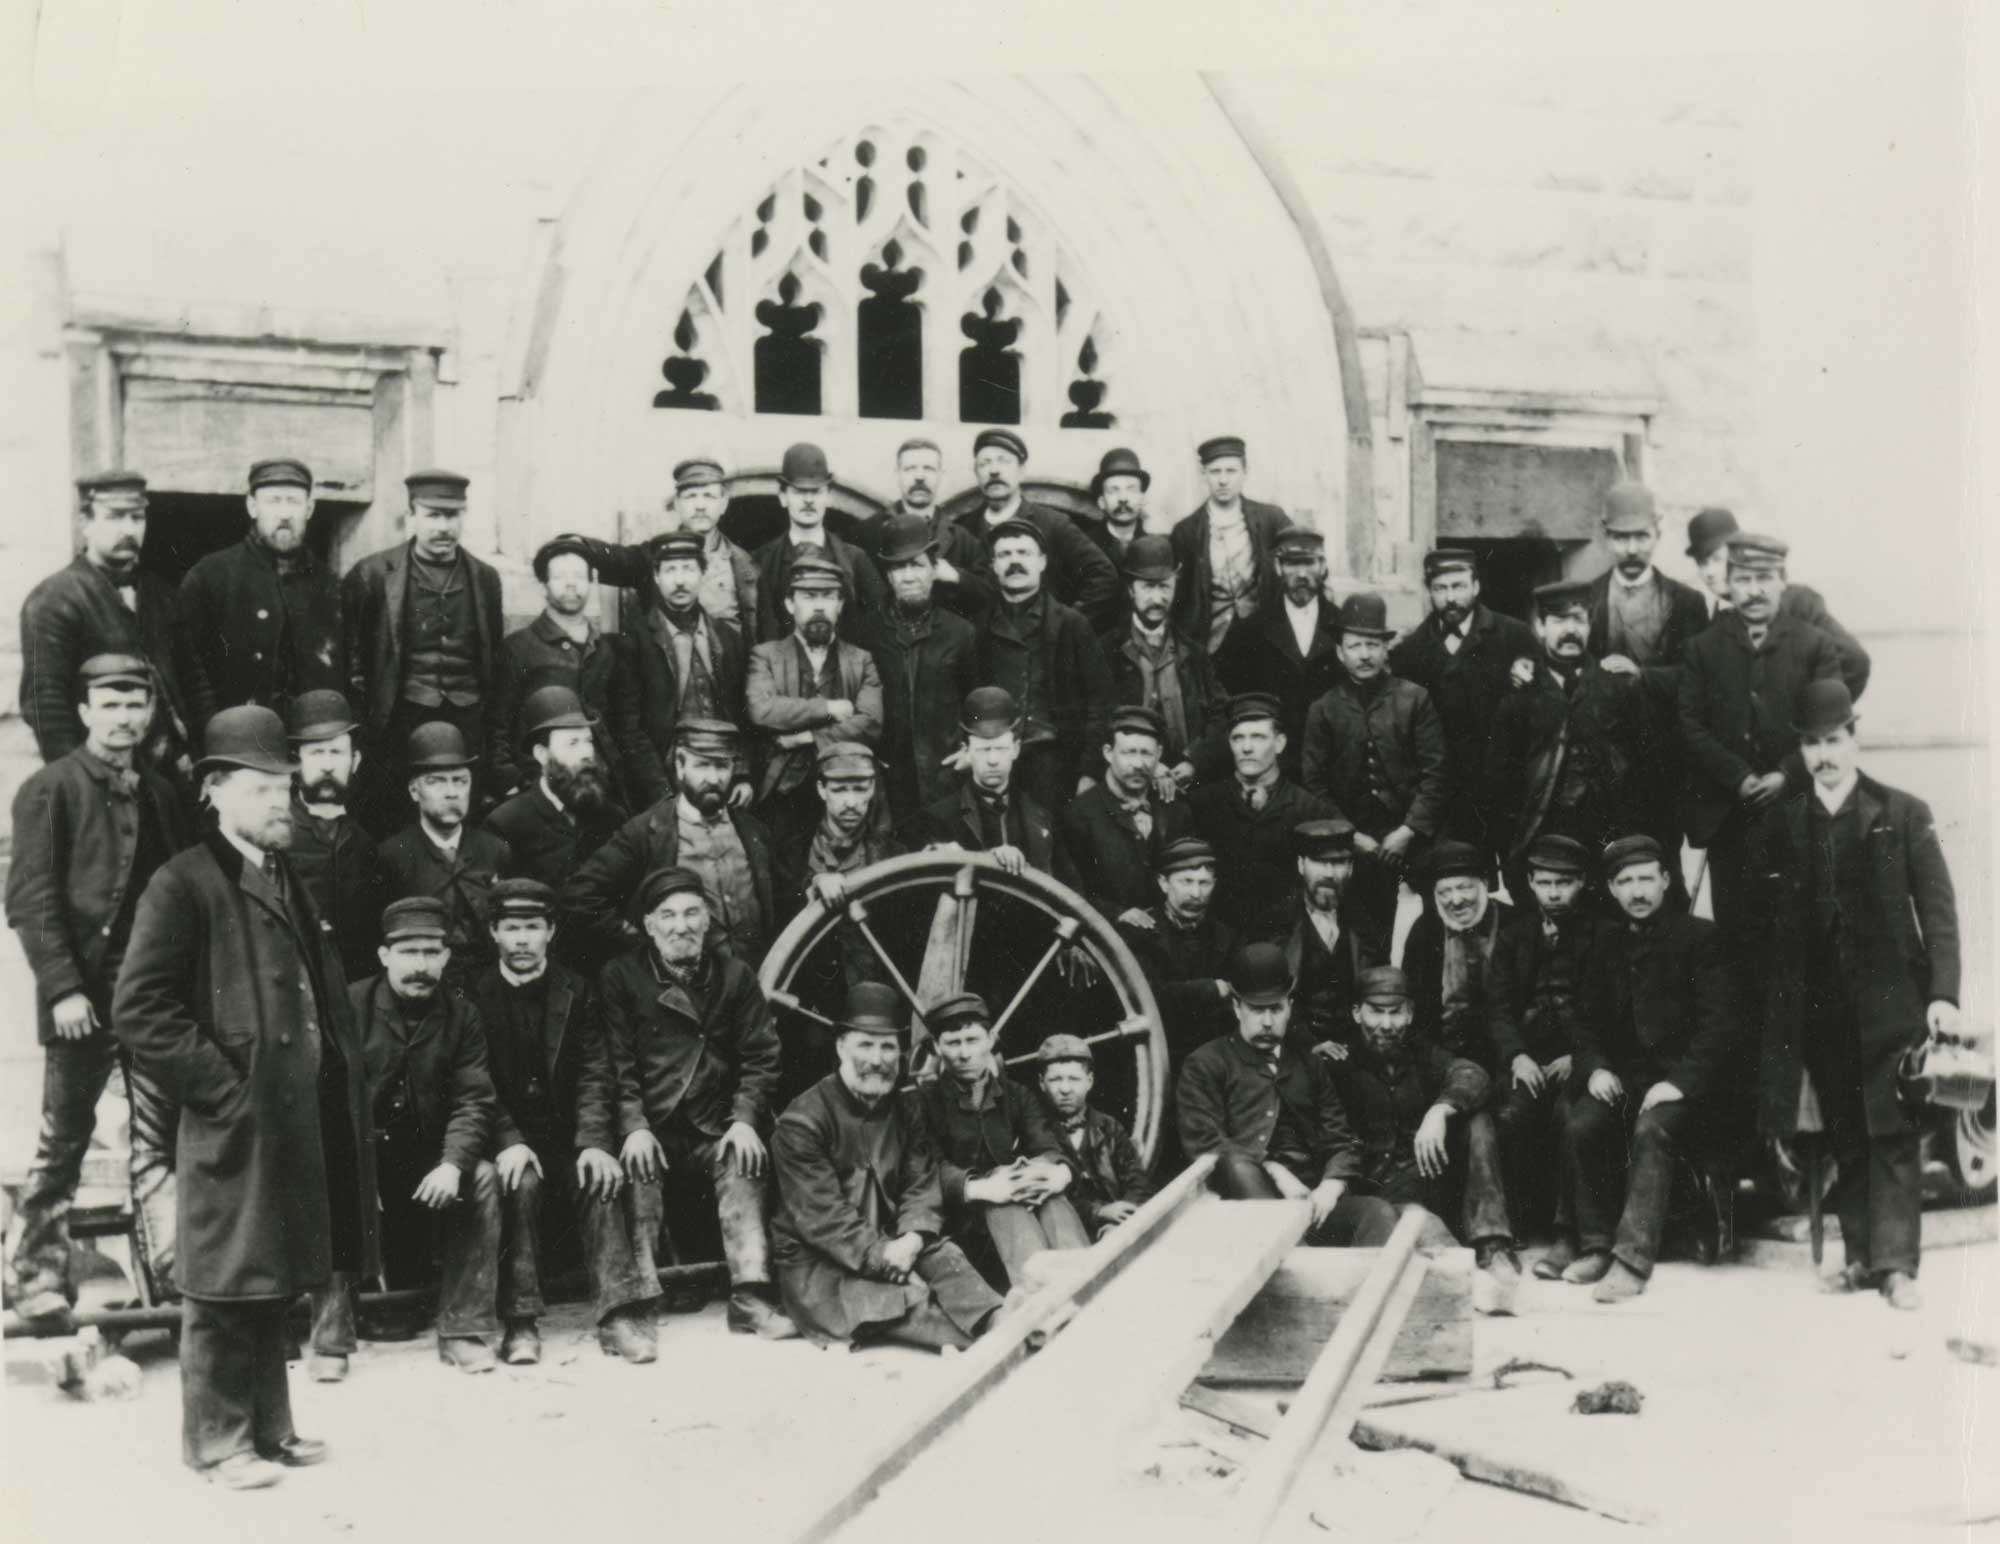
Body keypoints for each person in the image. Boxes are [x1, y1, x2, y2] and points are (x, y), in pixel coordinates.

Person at [114, 705, 375, 1488]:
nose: (280, 803)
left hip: (292, 1116)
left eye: (285, 788)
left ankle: (270, 1428)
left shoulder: (280, 873)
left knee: (271, 1273)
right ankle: (218, 1443)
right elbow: (140, 1009)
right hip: (237, 1118)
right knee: (224, 1280)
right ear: (217, 791)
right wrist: (223, 1091)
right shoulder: (184, 882)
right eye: (264, 789)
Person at [1745, 681, 1960, 1311]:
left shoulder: (1902, 812)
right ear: (1802, 750)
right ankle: (1862, 1257)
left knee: (1893, 1131)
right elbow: (1767, 928)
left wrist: (1943, 994)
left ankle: (1898, 1268)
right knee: (1846, 1134)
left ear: (1853, 737)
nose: (1823, 755)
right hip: (1821, 1009)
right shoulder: (1785, 824)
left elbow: (1938, 913)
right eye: (1811, 744)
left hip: (1893, 1002)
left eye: (1833, 740)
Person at [6, 656, 190, 1321]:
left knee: (160, 1142)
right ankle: (34, 1278)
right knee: (66, 1140)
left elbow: (178, 897)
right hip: (82, 997)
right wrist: (62, 989)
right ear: (84, 712)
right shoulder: (49, 790)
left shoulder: (163, 795)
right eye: (109, 704)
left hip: (152, 998)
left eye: (135, 704)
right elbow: (30, 900)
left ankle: (175, 1278)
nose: (123, 718)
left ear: (148, 713)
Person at [594, 865, 798, 1338]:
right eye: (667, 916)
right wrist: (634, 1127)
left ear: (708, 920)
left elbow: (761, 1056)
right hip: (655, 1125)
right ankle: (641, 1298)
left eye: (691, 914)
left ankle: (750, 1296)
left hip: (715, 1125)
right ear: (648, 925)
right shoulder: (621, 977)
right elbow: (615, 1065)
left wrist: (745, 1120)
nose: (680, 926)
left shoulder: (734, 976)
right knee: (637, 1168)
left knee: (744, 1158)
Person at [469, 878, 664, 1363]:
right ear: (493, 931)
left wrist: (594, 1141)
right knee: (523, 1182)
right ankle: (520, 1321)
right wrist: (508, 1139)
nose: (521, 940)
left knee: (598, 1176)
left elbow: (596, 1071)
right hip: (507, 1138)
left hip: (565, 1135)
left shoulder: (577, 989)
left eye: (532, 927)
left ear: (550, 931)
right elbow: (473, 1082)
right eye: (511, 928)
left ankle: (616, 1314)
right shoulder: (472, 994)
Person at [771, 982, 1007, 1351]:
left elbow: (921, 1183)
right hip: (825, 1263)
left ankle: (1002, 1319)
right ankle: (997, 1338)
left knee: (946, 1257)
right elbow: (823, 1219)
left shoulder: (906, 1109)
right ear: (840, 1047)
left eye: (887, 1047)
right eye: (865, 1045)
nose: (878, 1059)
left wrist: (913, 1237)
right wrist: (885, 1256)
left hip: (895, 1238)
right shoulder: (802, 1122)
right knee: (903, 1304)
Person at [328, 897, 504, 1372]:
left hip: (431, 1158)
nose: (421, 966)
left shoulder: (463, 1015)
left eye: (431, 953)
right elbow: (329, 1096)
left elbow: (475, 1099)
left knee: (483, 1178)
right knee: (333, 1182)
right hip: (365, 1154)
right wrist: (359, 1166)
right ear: (384, 955)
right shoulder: (349, 1004)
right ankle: (332, 1341)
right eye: (408, 952)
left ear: (446, 957)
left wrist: (452, 1164)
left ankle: (463, 1329)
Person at [1563, 836, 1739, 1303]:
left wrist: (1678, 1083)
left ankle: (1631, 1260)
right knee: (1581, 1124)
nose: (1637, 891)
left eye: (1646, 879)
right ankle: (1596, 1245)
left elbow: (1720, 1027)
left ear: (1665, 881)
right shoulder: (1605, 943)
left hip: (1691, 1088)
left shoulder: (1700, 938)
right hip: (1627, 1081)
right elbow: (1584, 1022)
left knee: (1651, 1130)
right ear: (1612, 889)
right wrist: (1597, 1069)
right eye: (1625, 881)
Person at [1679, 532, 1857, 936]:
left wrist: (1786, 773)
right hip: (1730, 818)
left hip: (1798, 809)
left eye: (1765, 578)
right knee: (1736, 935)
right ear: (1729, 582)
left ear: (1782, 580)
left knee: (1801, 932)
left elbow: (1830, 724)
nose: (1754, 591)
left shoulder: (1815, 646)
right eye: (1743, 579)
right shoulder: (1702, 649)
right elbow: (1690, 726)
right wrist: (1737, 777)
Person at [1175, 943, 1398, 1245]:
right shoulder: (1206, 1064)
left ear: (1290, 1005)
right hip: (1245, 1207)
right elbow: (1206, 1144)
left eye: (1276, 1008)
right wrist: (1272, 1168)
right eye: (1256, 1009)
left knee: (1377, 1213)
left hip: (1310, 1201)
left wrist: (1331, 1186)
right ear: (1237, 1007)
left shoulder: (1308, 1063)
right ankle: (1304, 1264)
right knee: (1236, 1166)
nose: (1267, 1021)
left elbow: (1340, 1138)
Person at [1331, 966, 1521, 1312]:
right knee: (1420, 1226)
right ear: (1357, 1013)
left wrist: (1441, 1110)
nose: (1386, 1026)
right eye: (1376, 1012)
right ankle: (1468, 1283)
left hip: (1430, 1184)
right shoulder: (1339, 1063)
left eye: (1396, 1013)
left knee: (1477, 1119)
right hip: (1380, 1194)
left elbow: (1473, 1074)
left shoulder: (1422, 1054)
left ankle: (1492, 1246)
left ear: (1410, 1013)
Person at [340, 470, 519, 822]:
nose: (443, 527)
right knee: (394, 815)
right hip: (401, 719)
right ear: (411, 516)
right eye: (432, 515)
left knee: (461, 815)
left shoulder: (484, 578)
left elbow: (495, 663)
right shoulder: (373, 574)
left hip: (467, 720)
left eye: (452, 516)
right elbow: (354, 663)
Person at [903, 993, 1090, 1291]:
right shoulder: (923, 1104)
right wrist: (988, 1188)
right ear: (937, 1047)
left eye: (972, 1040)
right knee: (1005, 1200)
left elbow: (1048, 1145)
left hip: (1016, 1203)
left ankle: (1083, 1286)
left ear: (990, 1040)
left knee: (1050, 1195)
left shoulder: (1017, 1095)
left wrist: (1049, 1174)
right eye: (953, 1043)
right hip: (963, 1222)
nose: (964, 1054)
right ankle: (1041, 1298)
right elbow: (926, 1169)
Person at [1482, 577, 1655, 899]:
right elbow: (1498, 782)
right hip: (1544, 836)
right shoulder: (1519, 694)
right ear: (1540, 626)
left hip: (1607, 835)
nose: (1570, 630)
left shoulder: (1616, 687)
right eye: (1559, 620)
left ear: (1590, 625)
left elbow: (1645, 770)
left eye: (1578, 619)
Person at [562, 719, 777, 966]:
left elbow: (786, 897)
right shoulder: (645, 832)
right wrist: (642, 943)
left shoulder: (754, 831)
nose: (713, 778)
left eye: (722, 766)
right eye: (702, 765)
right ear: (680, 765)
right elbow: (579, 896)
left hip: (753, 980)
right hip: (681, 988)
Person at [20, 471, 191, 773]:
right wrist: (83, 784)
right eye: (114, 517)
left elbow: (193, 679)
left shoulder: (162, 595)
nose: (128, 529)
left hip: (167, 778)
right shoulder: (54, 599)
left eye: (137, 518)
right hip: (101, 774)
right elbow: (46, 706)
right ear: (85, 523)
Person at [1300, 593, 1448, 942]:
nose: (1364, 654)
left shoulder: (1414, 699)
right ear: (1340, 653)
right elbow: (1314, 783)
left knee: (1434, 921)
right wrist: (1352, 837)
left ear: (1386, 649)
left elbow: (1437, 772)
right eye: (1354, 646)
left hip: (1413, 834)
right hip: (1354, 836)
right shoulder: (1324, 709)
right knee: (1364, 930)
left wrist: (1408, 830)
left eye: (1372, 644)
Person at [1483, 835, 1597, 1261]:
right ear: (1529, 882)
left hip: (1578, 1060)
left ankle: (1570, 1229)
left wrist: (1580, 1057)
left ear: (1582, 882)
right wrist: (1517, 1056)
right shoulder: (1514, 937)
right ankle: (1518, 1218)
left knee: (1571, 1119)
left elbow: (1610, 1011)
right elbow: (1496, 1009)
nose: (1554, 893)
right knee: (1512, 1114)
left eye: (1564, 883)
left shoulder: (1602, 933)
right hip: (1528, 1059)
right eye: (1545, 882)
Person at [1388, 548, 1537, 863]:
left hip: (1503, 794)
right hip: (1442, 801)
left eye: (1458, 586)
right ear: (1429, 592)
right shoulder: (1409, 652)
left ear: (1476, 586)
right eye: (1440, 589)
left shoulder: (1514, 636)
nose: (1450, 597)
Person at [177, 457, 344, 734]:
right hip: (238, 744)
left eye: (293, 501)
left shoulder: (330, 585)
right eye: (274, 501)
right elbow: (189, 672)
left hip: (311, 746)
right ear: (252, 506)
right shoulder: (209, 577)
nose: (284, 513)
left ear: (310, 508)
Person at [972, 516, 1116, 810]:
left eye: (1023, 553)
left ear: (1042, 562)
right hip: (996, 765)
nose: (1015, 562)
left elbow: (1100, 704)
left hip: (1057, 767)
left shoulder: (1072, 625)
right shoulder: (978, 629)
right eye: (1005, 555)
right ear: (993, 567)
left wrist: (1089, 773)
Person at [502, 533, 649, 810]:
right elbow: (498, 724)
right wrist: (512, 782)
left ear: (592, 580)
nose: (571, 585)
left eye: (579, 576)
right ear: (543, 585)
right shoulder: (518, 648)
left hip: (601, 786)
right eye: (559, 577)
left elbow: (626, 726)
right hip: (541, 785)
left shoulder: (608, 649)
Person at [853, 513, 979, 825]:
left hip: (947, 783)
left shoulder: (960, 632)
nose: (909, 576)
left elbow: (977, 699)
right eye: (898, 567)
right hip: (887, 784)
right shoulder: (865, 634)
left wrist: (972, 750)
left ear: (934, 569)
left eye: (917, 565)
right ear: (888, 576)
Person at [745, 547, 884, 827]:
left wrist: (807, 737)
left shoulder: (861, 660)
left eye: (828, 596)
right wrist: (829, 708)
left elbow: (870, 723)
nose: (819, 606)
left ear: (840, 604)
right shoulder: (766, 656)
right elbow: (762, 710)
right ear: (789, 603)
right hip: (784, 790)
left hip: (848, 790)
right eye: (809, 597)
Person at [375, 722, 517, 984]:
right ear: (414, 790)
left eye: (460, 781)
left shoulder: (495, 850)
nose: (452, 792)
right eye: (437, 782)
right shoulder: (391, 856)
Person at [623, 529, 753, 808]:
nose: (680, 580)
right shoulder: (635, 640)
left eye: (688, 568)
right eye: (670, 570)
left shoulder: (727, 638)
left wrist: (742, 773)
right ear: (656, 577)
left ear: (703, 573)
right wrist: (660, 792)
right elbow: (629, 728)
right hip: (666, 780)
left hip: (723, 777)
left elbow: (743, 711)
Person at [1685, 506, 1871, 696]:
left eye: (1716, 558)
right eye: (1702, 562)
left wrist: (1820, 714)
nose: (1708, 572)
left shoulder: (1797, 602)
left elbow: (1854, 662)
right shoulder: (1713, 624)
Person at [944, 427, 1118, 629]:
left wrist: (1065, 626)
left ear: (1021, 471)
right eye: (985, 463)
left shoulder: (1052, 523)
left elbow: (1103, 575)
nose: (994, 470)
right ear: (976, 473)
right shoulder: (963, 530)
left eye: (1003, 460)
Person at [1186, 693, 1337, 923]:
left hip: (1286, 936)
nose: (1247, 748)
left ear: (1279, 743)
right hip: (1220, 937)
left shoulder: (1310, 810)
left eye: (1258, 737)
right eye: (1238, 738)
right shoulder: (1203, 804)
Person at [1212, 525, 1344, 781]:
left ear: (1323, 566)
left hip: (1332, 765)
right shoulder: (1250, 630)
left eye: (1310, 563)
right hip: (1272, 770)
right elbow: (1228, 696)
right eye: (1293, 564)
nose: (1302, 574)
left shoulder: (1341, 625)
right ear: (1278, 567)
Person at [1101, 535, 1231, 792]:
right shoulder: (1107, 650)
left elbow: (1221, 715)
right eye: (1148, 587)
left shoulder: (1193, 652)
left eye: (1164, 587)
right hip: (1127, 779)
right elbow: (1099, 718)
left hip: (1188, 782)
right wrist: (1149, 764)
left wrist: (1195, 761)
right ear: (1130, 589)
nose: (1157, 597)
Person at [484, 686, 629, 906]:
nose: (586, 753)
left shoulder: (613, 818)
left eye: (588, 741)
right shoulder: (506, 824)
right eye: (573, 743)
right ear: (542, 755)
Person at [284, 690, 387, 988]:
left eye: (336, 752)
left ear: (355, 761)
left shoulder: (365, 845)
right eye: (316, 753)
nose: (327, 765)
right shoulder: (275, 838)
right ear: (296, 763)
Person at [908, 688, 1068, 880]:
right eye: (984, 750)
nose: (993, 760)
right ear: (966, 751)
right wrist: (986, 859)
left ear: (1015, 750)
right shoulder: (940, 819)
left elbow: (1071, 889)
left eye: (1001, 748)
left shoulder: (1041, 816)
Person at [1059, 705, 1197, 924]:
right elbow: (1070, 893)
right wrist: (1117, 914)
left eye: (1146, 753)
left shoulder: (1176, 812)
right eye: (1129, 752)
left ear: (1159, 754)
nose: (1138, 764)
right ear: (1108, 753)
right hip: (1108, 938)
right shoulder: (1078, 815)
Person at [1262, 819, 1387, 1053]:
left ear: (1350, 868)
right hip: (1294, 1049)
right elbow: (1267, 999)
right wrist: (1309, 1045)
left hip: (1356, 1049)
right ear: (1301, 865)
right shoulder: (1276, 925)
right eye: (1319, 862)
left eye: (1338, 863)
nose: (1329, 873)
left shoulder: (1366, 926)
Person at [1118, 836, 1238, 1066]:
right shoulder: (1140, 932)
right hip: (1157, 1056)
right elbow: (1148, 996)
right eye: (1187, 881)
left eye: (1204, 883)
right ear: (1163, 883)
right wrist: (1212, 989)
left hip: (1213, 1059)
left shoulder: (1226, 936)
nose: (1196, 893)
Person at [749, 442, 885, 643]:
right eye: (799, 492)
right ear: (783, 497)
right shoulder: (761, 561)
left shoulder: (855, 560)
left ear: (829, 497)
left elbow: (878, 624)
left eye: (816, 492)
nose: (808, 500)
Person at [1168, 435, 1290, 653]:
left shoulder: (1271, 519)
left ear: (1245, 472)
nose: (1223, 480)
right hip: (1211, 640)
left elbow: (1298, 560)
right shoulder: (1186, 531)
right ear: (1203, 474)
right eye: (1215, 471)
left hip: (1263, 637)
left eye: (1231, 471)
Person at [849, 438, 993, 621]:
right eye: (910, 469)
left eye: (929, 468)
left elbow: (988, 593)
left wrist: (957, 577)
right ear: (897, 474)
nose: (920, 476)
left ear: (941, 474)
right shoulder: (867, 533)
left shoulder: (963, 539)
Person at [1398, 841, 1512, 1066]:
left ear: (1484, 885)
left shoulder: (1514, 923)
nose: (1456, 900)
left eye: (1464, 887)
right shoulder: (1425, 931)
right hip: (1445, 1054)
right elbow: (1415, 1008)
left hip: (1508, 1053)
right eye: (1445, 892)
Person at [1035, 1033, 1150, 1239]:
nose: (1065, 1089)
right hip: (1064, 1236)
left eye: (1074, 1079)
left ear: (1089, 1081)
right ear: (1042, 1083)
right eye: (1055, 1079)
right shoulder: (1036, 1133)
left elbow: (1138, 1183)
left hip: (1119, 1229)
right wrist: (1099, 1212)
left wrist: (1122, 1220)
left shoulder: (1110, 1127)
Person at [668, 455, 760, 629]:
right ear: (677, 504)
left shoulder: (745, 565)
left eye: (709, 496)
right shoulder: (654, 558)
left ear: (723, 504)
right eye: (691, 496)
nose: (700, 506)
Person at [1083, 446, 1152, 569]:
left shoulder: (1154, 547)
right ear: (1101, 501)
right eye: (1113, 490)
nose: (1123, 498)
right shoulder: (1085, 546)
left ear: (1142, 499)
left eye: (1131, 489)